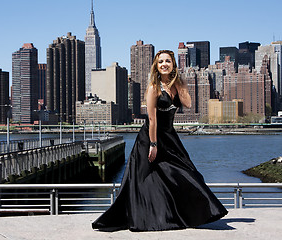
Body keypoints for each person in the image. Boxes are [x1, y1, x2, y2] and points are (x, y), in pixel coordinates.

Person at [92, 50, 228, 232]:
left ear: (173, 65)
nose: (164, 64)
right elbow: (152, 120)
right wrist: (153, 145)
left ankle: (188, 214)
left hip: (171, 138)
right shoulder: (153, 88)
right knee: (146, 180)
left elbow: (188, 104)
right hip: (149, 139)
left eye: (168, 61)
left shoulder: (176, 85)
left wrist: (179, 83)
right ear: (156, 66)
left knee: (187, 173)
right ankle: (148, 218)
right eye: (161, 62)